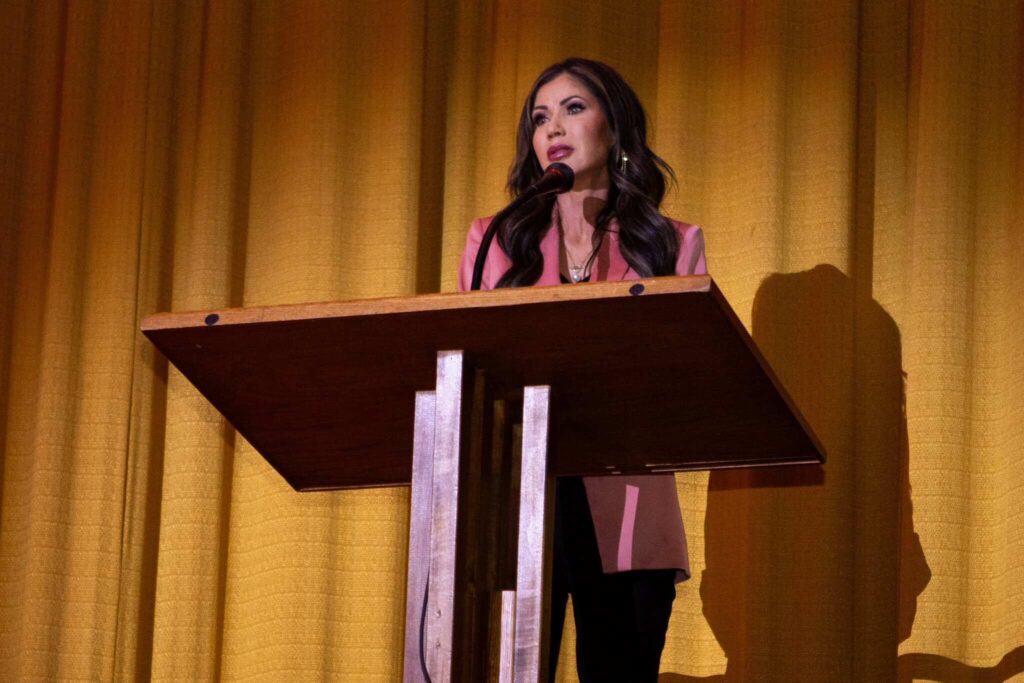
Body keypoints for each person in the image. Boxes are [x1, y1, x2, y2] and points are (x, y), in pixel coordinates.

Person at [457, 57, 707, 682]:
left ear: (616, 129)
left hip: (626, 508)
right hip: (518, 506)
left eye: (573, 109)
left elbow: (684, 381)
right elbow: (473, 370)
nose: (552, 129)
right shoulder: (495, 241)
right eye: (540, 118)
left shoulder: (672, 244)